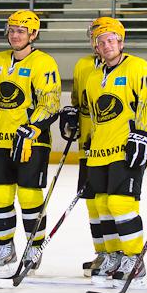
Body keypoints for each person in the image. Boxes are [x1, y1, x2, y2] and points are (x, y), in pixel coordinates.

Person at [0, 9, 61, 275]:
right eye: (12, 30)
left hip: (32, 141)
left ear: (33, 34)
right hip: (0, 140)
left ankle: (34, 247)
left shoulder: (44, 62)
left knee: (29, 194)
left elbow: (51, 103)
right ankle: (5, 247)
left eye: (21, 31)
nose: (15, 35)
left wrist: (32, 128)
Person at [83, 19, 147, 288]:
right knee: (102, 205)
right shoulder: (94, 77)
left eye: (111, 40)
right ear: (95, 46)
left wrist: (143, 135)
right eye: (101, 41)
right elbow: (97, 117)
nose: (106, 45)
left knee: (121, 204)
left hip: (127, 148)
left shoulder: (137, 67)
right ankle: (114, 255)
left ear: (121, 42)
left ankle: (134, 259)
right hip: (100, 151)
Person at [59, 17, 108, 277]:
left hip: (113, 146)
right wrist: (71, 116)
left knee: (112, 202)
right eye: (94, 37)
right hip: (87, 146)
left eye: (102, 37)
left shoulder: (127, 67)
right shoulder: (83, 66)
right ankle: (102, 254)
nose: (97, 42)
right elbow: (78, 101)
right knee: (92, 203)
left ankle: (119, 253)